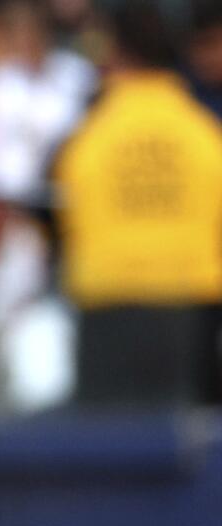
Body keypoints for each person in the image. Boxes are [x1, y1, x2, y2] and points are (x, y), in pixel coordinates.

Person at [53, 0, 222, 408]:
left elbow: (63, 212)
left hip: (110, 306)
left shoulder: (89, 137)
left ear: (115, 53)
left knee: (112, 449)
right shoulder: (203, 133)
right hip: (190, 308)